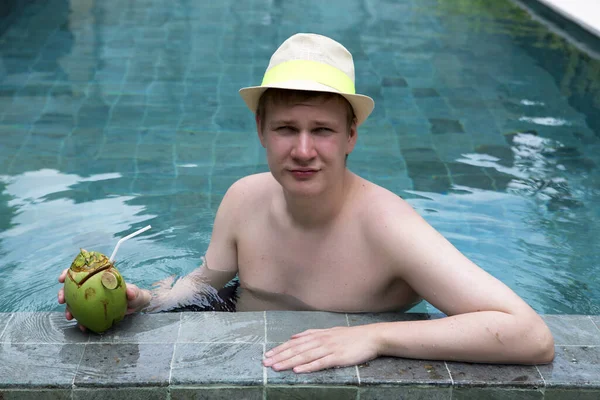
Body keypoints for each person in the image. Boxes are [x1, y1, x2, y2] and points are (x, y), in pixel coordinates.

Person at [58, 33, 554, 373]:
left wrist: (376, 338)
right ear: (261, 131)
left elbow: (530, 336)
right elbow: (204, 285)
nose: (302, 150)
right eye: (285, 129)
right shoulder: (244, 200)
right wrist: (142, 299)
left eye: (321, 130)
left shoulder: (386, 227)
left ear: (351, 136)